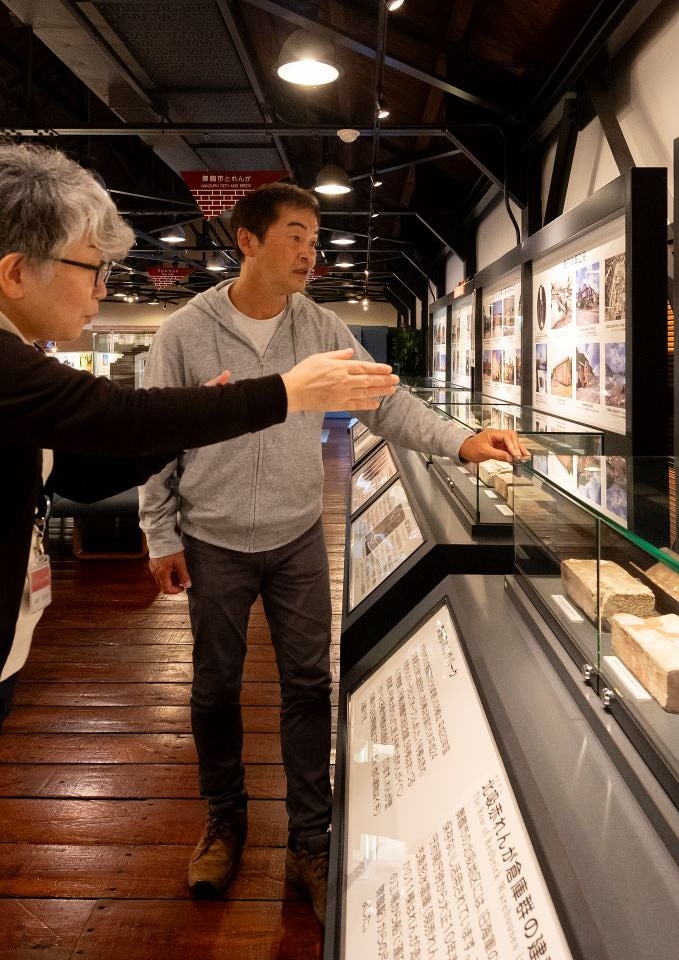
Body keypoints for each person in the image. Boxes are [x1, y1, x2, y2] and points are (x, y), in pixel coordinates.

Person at [0, 146, 397, 960]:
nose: (104, 288)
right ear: (17, 270)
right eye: (92, 267)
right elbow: (109, 420)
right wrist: (286, 394)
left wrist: (192, 416)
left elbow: (92, 461)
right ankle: (225, 819)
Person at [137, 181, 527, 921]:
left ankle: (309, 841)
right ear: (247, 241)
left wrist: (465, 441)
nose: (310, 250)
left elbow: (386, 400)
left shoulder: (320, 326)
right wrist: (160, 534)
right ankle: (225, 817)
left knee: (309, 685)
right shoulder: (184, 333)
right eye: (294, 234)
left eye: (315, 237)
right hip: (211, 538)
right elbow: (155, 439)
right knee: (215, 687)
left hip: (294, 537)